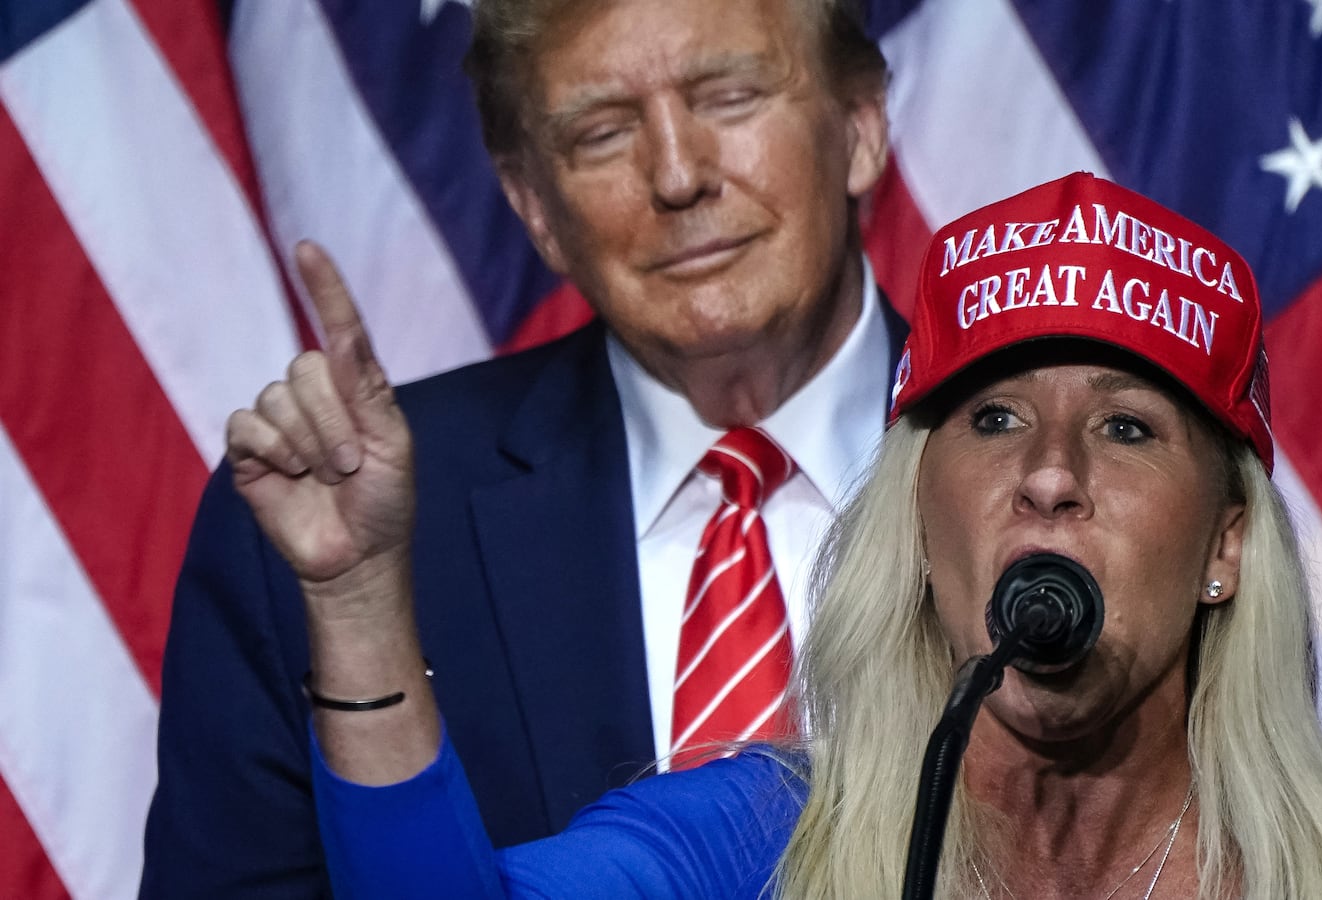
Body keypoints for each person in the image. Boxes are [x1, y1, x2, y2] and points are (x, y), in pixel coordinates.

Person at [244, 172, 1322, 898]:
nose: (1051, 474)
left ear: (1227, 545)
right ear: (918, 514)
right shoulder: (752, 841)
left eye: (1127, 431)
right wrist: (356, 603)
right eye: (995, 417)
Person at [140, 0, 899, 895]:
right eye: (603, 133)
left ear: (859, 128)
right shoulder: (324, 531)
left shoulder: (1053, 480)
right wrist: (357, 608)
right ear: (533, 206)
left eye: (730, 97)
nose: (678, 174)